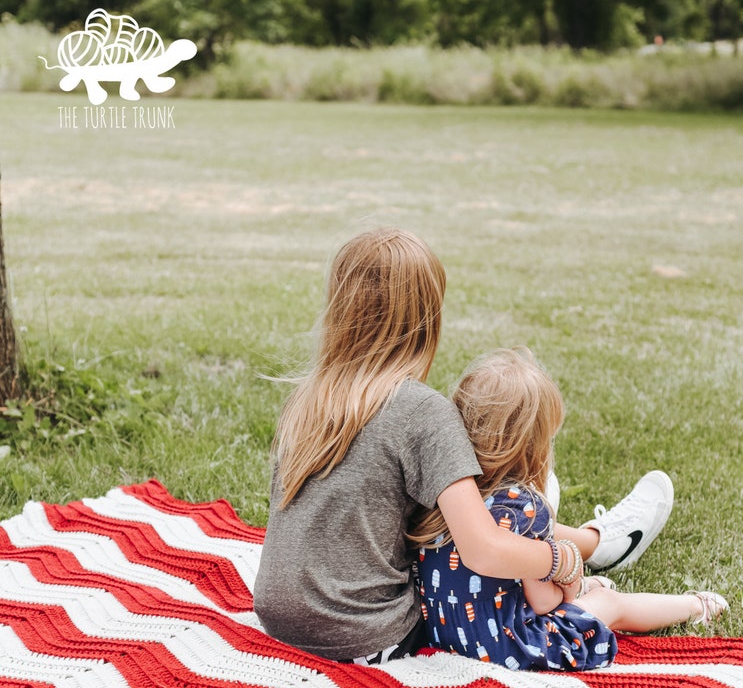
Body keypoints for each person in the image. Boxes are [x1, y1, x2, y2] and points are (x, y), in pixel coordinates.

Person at [253, 228, 675, 665]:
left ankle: (598, 541)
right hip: (363, 634)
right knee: (499, 518)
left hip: (278, 620)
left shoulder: (304, 399)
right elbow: (483, 549)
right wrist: (559, 559)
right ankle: (591, 543)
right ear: (427, 317)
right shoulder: (421, 411)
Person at [414, 347, 727, 672]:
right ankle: (696, 606)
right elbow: (545, 603)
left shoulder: (447, 498)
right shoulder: (525, 507)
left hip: (450, 639)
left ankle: (593, 577)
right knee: (610, 604)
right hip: (513, 650)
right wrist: (567, 577)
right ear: (533, 446)